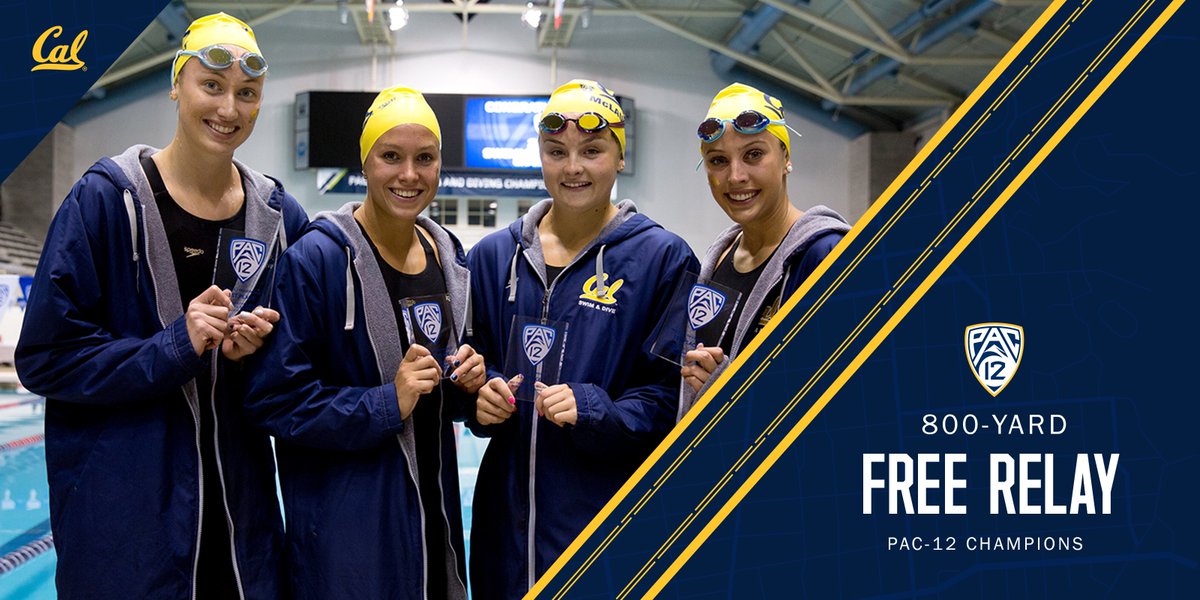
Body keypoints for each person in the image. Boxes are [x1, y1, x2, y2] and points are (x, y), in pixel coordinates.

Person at [15, 13, 307, 599]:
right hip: (126, 524)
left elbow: (299, 374)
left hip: (239, 526)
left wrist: (260, 351)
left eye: (246, 94)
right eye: (212, 86)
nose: (229, 108)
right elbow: (46, 358)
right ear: (176, 84)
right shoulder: (103, 201)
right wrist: (176, 344)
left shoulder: (279, 218)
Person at [244, 87, 484, 600]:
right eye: (391, 157)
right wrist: (384, 403)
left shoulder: (450, 261)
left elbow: (448, 403)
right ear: (365, 161)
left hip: (432, 529)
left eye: (425, 158)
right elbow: (274, 401)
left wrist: (470, 385)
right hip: (347, 546)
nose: (409, 175)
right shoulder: (316, 261)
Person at [467, 79, 699, 598]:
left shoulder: (662, 259)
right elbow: (470, 366)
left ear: (620, 156)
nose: (572, 168)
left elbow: (671, 397)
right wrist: (478, 399)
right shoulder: (490, 257)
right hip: (504, 534)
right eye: (557, 152)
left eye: (592, 150)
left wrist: (594, 408)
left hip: (603, 524)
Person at [678, 83, 851, 418]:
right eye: (718, 161)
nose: (736, 176)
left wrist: (730, 391)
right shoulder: (718, 261)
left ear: (786, 157)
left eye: (754, 154)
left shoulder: (826, 255)